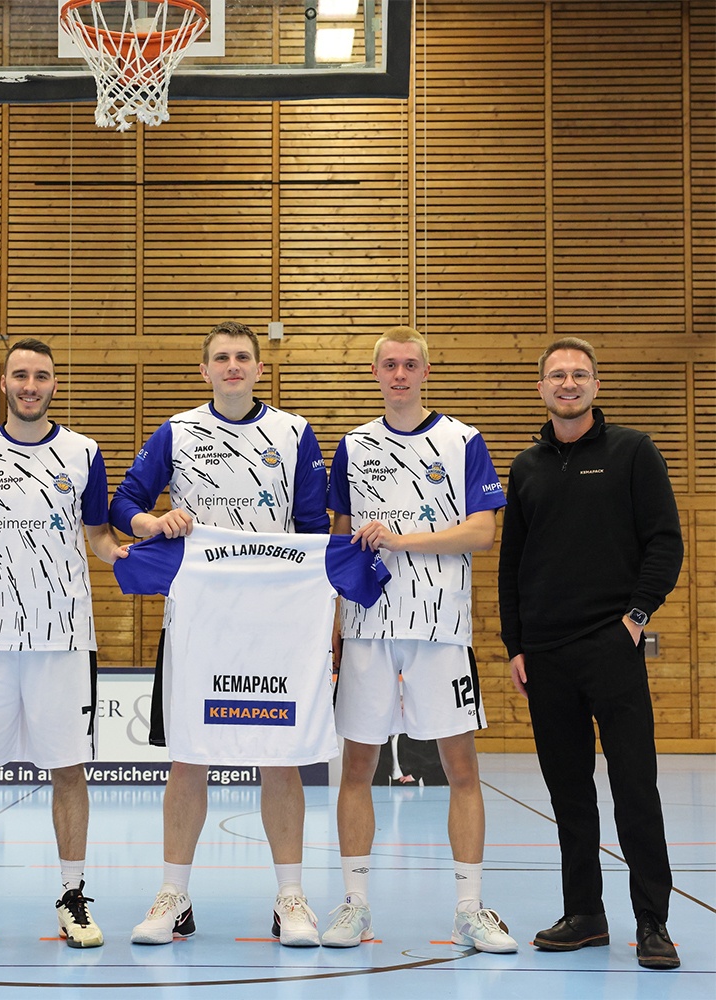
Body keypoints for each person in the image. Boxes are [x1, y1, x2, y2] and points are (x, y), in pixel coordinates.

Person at [109, 320, 330, 947]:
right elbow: (122, 501)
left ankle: (291, 897)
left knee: (280, 760)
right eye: (221, 358)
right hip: (199, 617)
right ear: (204, 370)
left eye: (242, 357)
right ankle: (173, 895)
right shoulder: (177, 431)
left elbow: (314, 527)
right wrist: (152, 520)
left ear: (260, 368)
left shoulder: (293, 433)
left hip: (277, 623)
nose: (232, 366)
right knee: (190, 757)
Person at [0, 338, 126, 951]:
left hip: (62, 639)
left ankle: (72, 896)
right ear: (5, 383)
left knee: (69, 770)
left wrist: (135, 558)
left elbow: (98, 535)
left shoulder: (85, 453)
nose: (30, 385)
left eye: (41, 376)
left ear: (54, 385)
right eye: (20, 375)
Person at [324, 326, 517, 953]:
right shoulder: (353, 447)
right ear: (376, 373)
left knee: (462, 770)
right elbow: (340, 543)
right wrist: (329, 634)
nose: (400, 375)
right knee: (357, 768)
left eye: (411, 365)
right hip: (367, 630)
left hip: (440, 631)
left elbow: (482, 533)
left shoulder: (463, 441)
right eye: (389, 365)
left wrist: (402, 539)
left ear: (426, 372)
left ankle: (469, 907)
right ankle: (355, 906)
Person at [497, 337, 683, 970]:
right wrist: (516, 645)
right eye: (556, 375)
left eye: (578, 374)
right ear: (542, 387)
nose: (567, 383)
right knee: (569, 792)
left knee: (636, 787)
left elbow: (664, 541)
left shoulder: (634, 452)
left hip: (611, 646)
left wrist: (634, 618)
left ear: (595, 385)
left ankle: (652, 922)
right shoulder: (525, 467)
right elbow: (512, 565)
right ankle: (585, 915)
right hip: (545, 655)